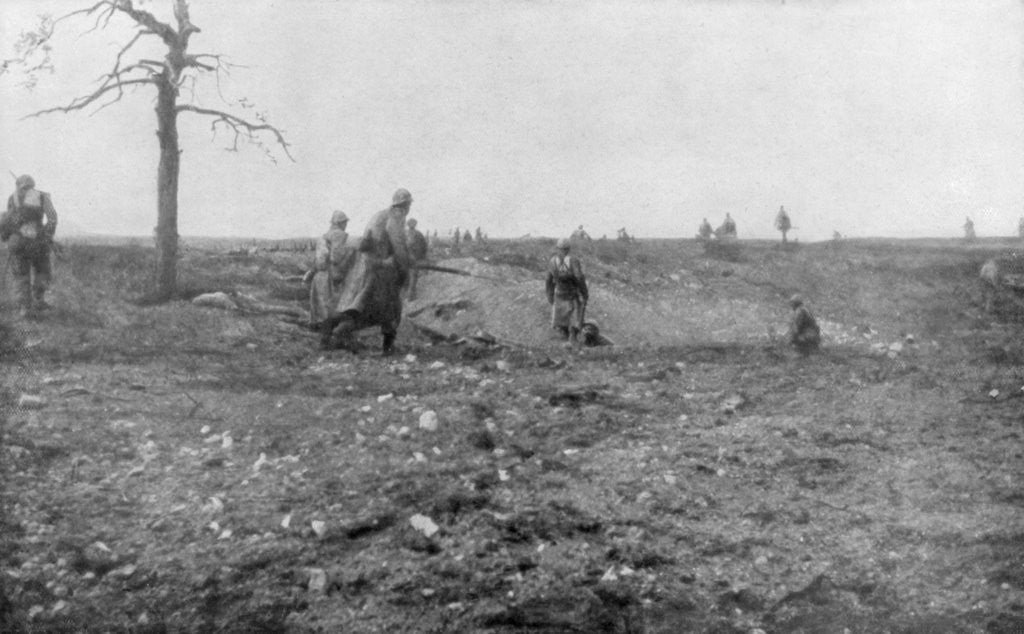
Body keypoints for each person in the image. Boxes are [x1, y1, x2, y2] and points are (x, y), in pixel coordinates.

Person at [322, 188, 414, 355]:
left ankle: (335, 332)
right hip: (381, 270)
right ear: (405, 205)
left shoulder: (380, 214)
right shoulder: (396, 216)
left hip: (368, 268)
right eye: (408, 205)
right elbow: (399, 246)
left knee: (365, 308)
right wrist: (404, 267)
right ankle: (386, 347)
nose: (408, 209)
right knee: (389, 309)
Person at [0, 175, 58, 318]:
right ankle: (39, 300)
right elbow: (52, 218)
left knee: (21, 275)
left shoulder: (12, 198)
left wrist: (7, 237)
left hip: (18, 241)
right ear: (32, 184)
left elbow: (7, 221)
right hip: (38, 241)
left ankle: (24, 309)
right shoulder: (42, 196)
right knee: (42, 271)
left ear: (18, 185)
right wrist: (47, 235)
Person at [305, 210, 356, 330]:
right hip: (329, 275)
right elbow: (336, 258)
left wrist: (311, 272)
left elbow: (318, 259)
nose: (346, 225)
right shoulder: (339, 235)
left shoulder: (324, 236)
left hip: (319, 274)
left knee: (319, 305)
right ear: (340, 223)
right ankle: (329, 336)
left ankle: (318, 328)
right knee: (330, 307)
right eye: (344, 222)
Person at [545, 238, 589, 343]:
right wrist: (585, 293)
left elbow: (548, 279)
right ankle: (573, 335)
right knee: (577, 313)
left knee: (560, 319)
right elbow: (579, 277)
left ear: (557, 248)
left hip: (559, 293)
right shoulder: (573, 260)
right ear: (568, 249)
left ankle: (563, 337)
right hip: (572, 293)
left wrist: (549, 295)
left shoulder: (553, 261)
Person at [405, 217, 428, 300]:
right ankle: (410, 295)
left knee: (411, 276)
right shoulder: (416, 234)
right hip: (412, 257)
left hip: (409, 257)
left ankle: (410, 294)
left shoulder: (405, 233)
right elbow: (424, 246)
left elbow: (424, 246)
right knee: (413, 276)